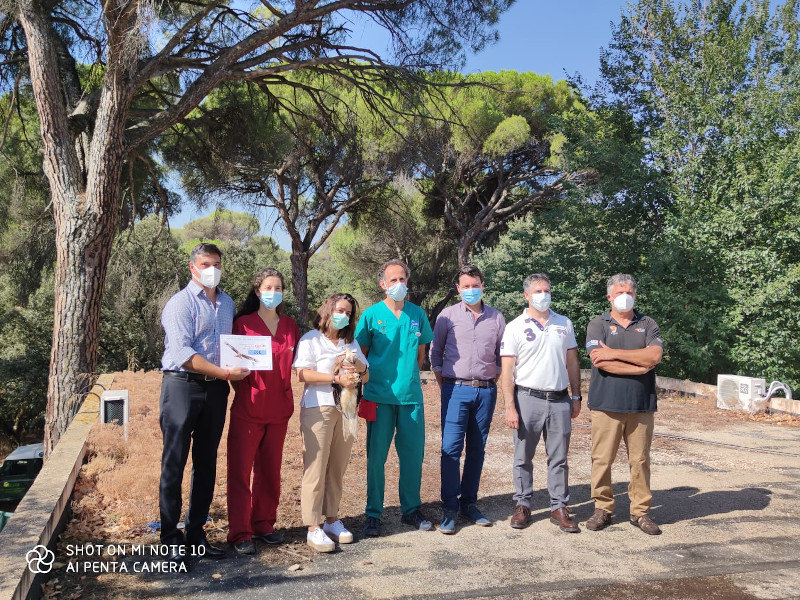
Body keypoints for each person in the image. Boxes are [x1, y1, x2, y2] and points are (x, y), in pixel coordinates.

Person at [159, 243, 250, 565]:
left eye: (217, 263)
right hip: (182, 386)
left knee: (206, 464)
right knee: (174, 463)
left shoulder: (227, 303)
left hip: (216, 392)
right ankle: (171, 538)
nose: (212, 269)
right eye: (205, 263)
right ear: (192, 267)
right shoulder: (179, 304)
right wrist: (226, 372)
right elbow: (183, 355)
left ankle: (196, 535)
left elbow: (230, 347)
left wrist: (243, 363)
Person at [355, 259, 434, 536]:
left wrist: (409, 377)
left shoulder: (417, 315)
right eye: (393, 280)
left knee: (412, 456)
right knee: (377, 457)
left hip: (410, 397)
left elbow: (421, 354)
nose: (399, 285)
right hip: (379, 396)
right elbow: (360, 355)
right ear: (382, 284)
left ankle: (411, 510)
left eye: (403, 279)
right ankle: (373, 513)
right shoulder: (371, 316)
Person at [500, 273, 582, 533]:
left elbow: (572, 363)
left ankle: (558, 507)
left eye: (546, 290)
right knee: (523, 456)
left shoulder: (564, 324)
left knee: (558, 458)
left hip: (559, 400)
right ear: (526, 295)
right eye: (537, 291)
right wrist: (509, 406)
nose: (543, 295)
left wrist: (577, 396)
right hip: (527, 399)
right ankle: (523, 505)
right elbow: (507, 371)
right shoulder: (514, 326)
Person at [226, 268, 300, 555]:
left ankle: (264, 524)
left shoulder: (291, 326)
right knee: (240, 473)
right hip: (249, 409)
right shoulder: (242, 324)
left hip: (279, 410)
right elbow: (233, 372)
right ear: (257, 291)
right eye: (268, 287)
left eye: (278, 287)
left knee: (270, 471)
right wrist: (246, 388)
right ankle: (240, 531)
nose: (274, 292)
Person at [585, 273, 663, 535]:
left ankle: (640, 512)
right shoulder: (598, 324)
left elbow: (654, 355)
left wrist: (614, 353)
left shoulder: (648, 323)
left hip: (641, 405)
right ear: (609, 296)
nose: (624, 296)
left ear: (635, 295)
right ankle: (603, 508)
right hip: (606, 404)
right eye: (619, 292)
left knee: (640, 460)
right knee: (602, 459)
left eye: (629, 292)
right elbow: (599, 361)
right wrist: (639, 365)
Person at [429, 264, 505, 535]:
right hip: (454, 389)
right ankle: (449, 507)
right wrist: (445, 385)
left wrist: (491, 382)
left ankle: (469, 504)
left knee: (477, 449)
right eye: (466, 286)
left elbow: (501, 356)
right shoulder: (446, 316)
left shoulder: (497, 318)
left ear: (483, 285)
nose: (471, 290)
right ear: (458, 289)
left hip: (485, 391)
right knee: (450, 449)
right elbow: (435, 354)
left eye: (476, 285)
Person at [293, 293, 370, 552]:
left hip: (346, 410)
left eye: (348, 313)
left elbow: (366, 375)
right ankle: (313, 526)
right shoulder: (311, 340)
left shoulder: (351, 342)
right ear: (327, 309)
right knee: (316, 466)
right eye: (340, 310)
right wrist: (335, 379)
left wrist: (358, 366)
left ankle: (332, 519)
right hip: (319, 408)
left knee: (337, 467)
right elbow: (301, 373)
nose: (344, 316)